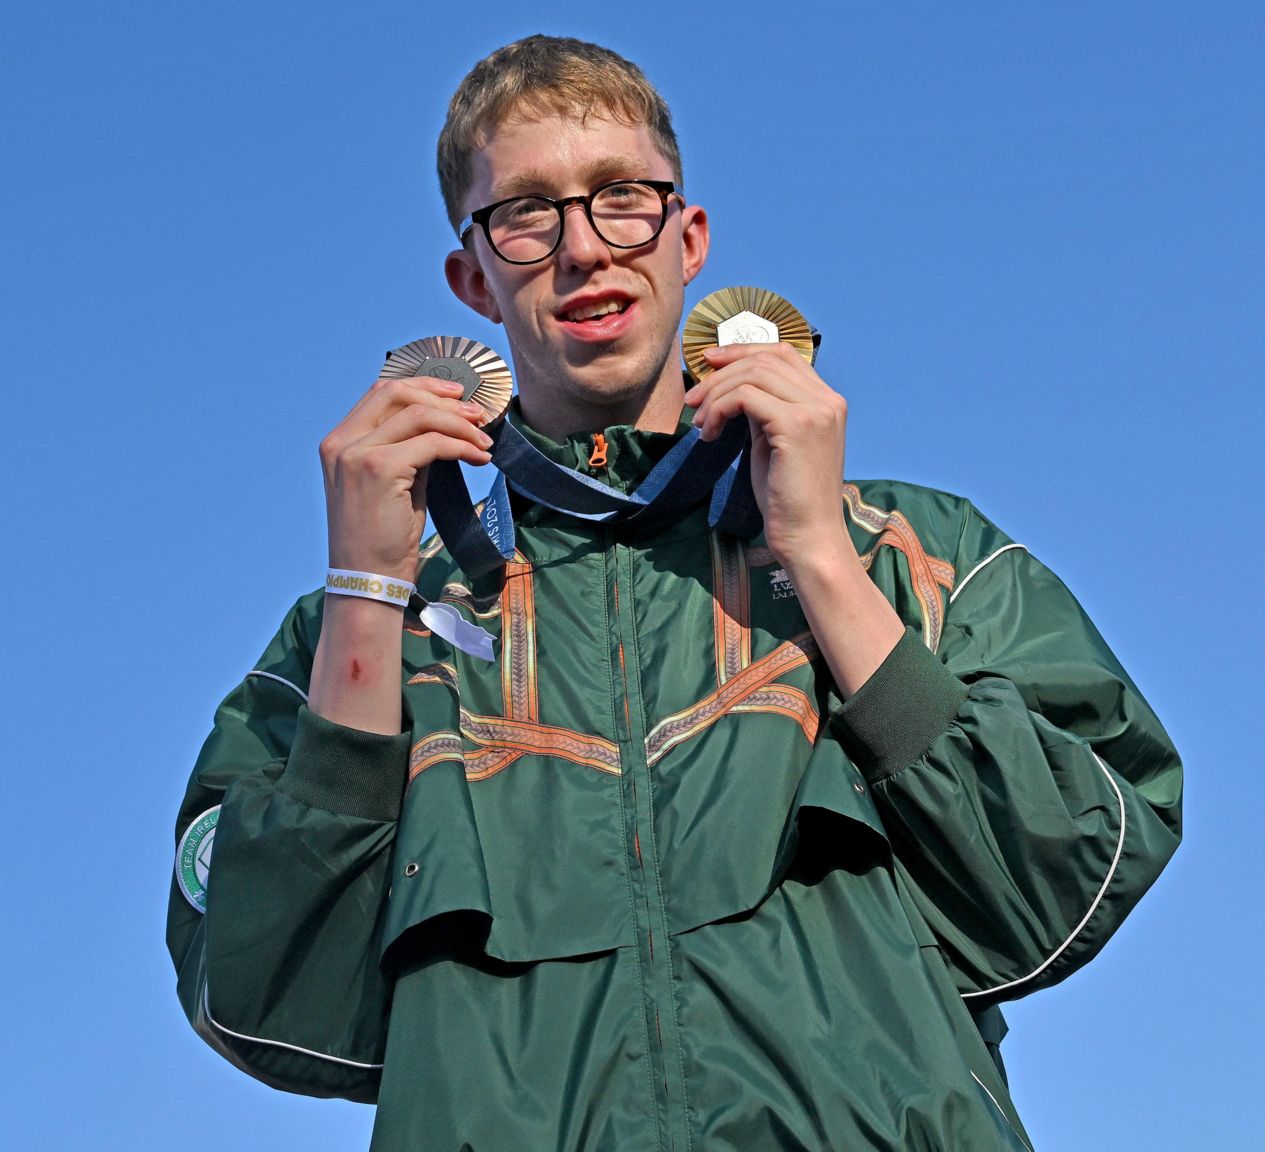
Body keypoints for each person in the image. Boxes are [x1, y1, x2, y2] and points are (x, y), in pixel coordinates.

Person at [164, 33, 1183, 1152]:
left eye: (621, 198)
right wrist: (365, 589)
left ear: (688, 238)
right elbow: (264, 1001)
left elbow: (1067, 879)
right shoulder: (363, 631)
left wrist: (820, 555)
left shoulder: (910, 548)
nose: (582, 249)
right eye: (526, 213)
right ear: (472, 278)